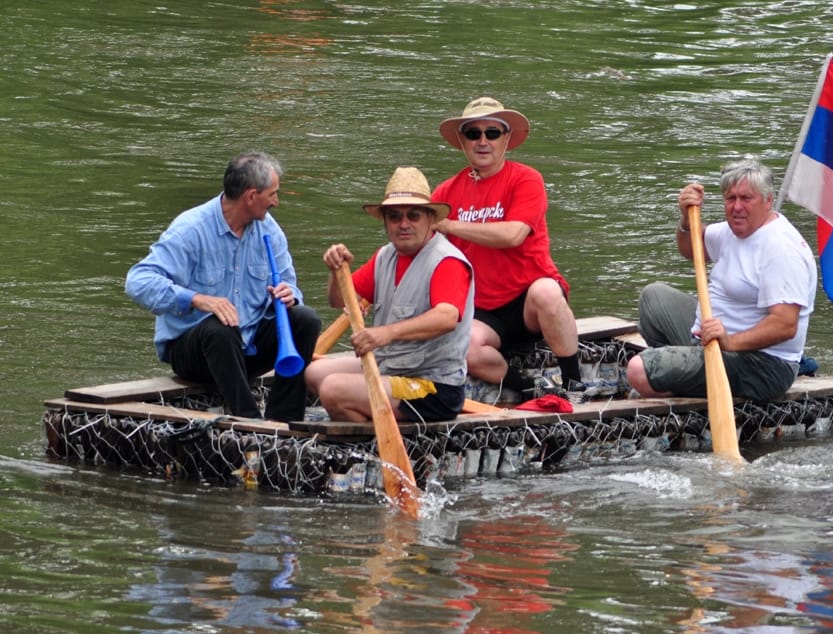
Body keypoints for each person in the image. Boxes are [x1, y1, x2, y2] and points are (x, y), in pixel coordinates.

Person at [125, 151, 321, 422]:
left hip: (246, 348)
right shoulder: (190, 229)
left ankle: (285, 419)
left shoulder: (269, 230)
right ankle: (249, 422)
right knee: (221, 328)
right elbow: (138, 281)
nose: (276, 201)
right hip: (197, 352)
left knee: (305, 319)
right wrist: (198, 299)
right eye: (272, 194)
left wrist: (289, 296)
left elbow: (290, 283)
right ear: (251, 196)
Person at [626, 157, 817, 402]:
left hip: (763, 365)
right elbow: (690, 249)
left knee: (638, 371)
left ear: (768, 201)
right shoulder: (733, 229)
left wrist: (730, 341)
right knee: (653, 297)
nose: (737, 207)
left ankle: (672, 382)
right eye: (730, 198)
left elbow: (785, 325)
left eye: (746, 198)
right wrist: (686, 220)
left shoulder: (781, 250)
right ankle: (683, 375)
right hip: (711, 340)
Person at [430, 96, 582, 398]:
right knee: (465, 347)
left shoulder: (527, 179)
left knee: (547, 292)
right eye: (473, 134)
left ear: (506, 139)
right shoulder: (445, 192)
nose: (483, 141)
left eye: (492, 133)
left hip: (528, 301)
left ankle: (574, 382)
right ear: (462, 141)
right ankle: (530, 389)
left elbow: (513, 234)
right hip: (481, 308)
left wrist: (450, 225)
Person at [305, 167, 474, 423]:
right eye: (395, 217)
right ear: (385, 221)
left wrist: (385, 333)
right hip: (391, 369)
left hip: (432, 387)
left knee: (332, 389)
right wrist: (335, 271)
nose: (403, 224)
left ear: (430, 219)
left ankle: (368, 441)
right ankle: (368, 417)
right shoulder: (386, 256)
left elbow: (446, 317)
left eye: (413, 215)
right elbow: (338, 301)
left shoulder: (447, 261)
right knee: (314, 373)